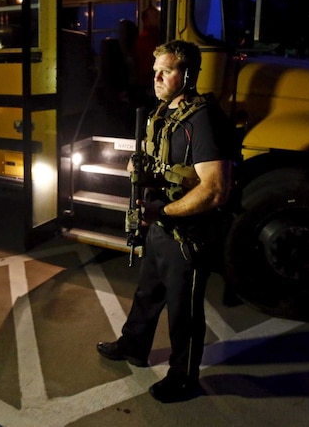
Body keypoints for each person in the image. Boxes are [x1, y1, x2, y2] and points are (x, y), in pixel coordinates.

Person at [96, 40, 235, 403]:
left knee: (183, 313)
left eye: (167, 71)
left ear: (187, 74)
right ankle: (133, 346)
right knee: (147, 293)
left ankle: (184, 377)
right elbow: (149, 158)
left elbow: (215, 190)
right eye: (155, 70)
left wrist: (162, 213)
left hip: (188, 232)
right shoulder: (162, 112)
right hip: (161, 224)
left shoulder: (203, 119)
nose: (156, 77)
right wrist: (135, 167)